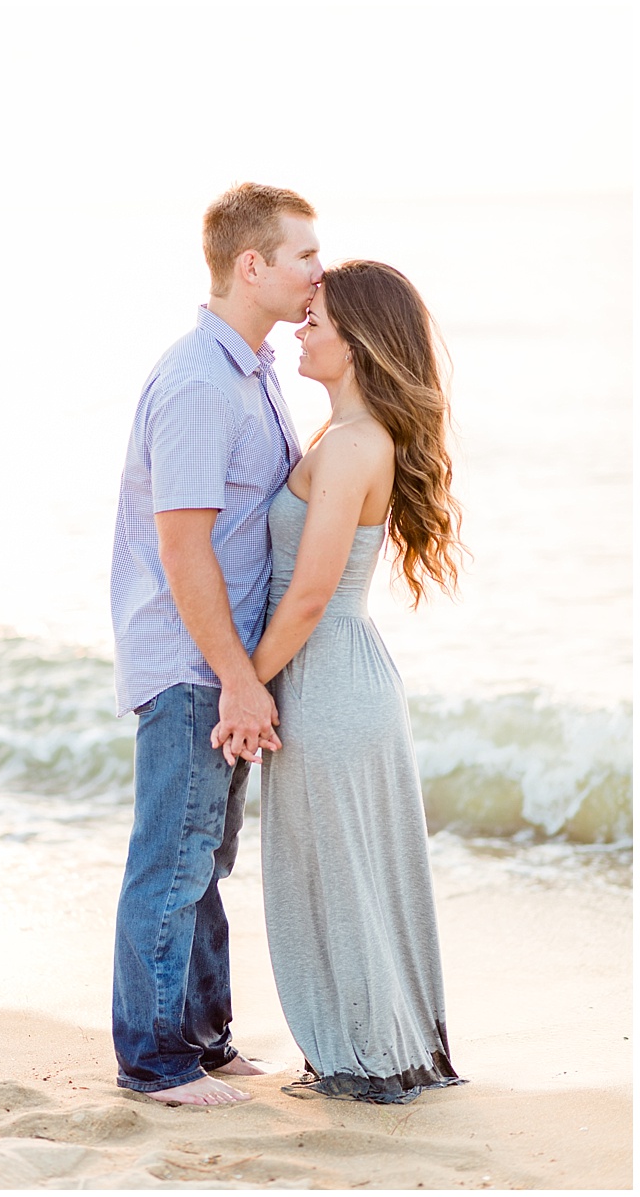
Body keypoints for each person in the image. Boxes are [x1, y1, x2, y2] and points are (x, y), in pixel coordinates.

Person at [223, 260, 466, 1102]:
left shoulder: (355, 445)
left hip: (326, 679)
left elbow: (311, 595)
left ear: (357, 340)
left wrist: (242, 688)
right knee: (349, 870)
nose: (301, 328)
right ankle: (377, 1047)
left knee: (337, 874)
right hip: (339, 675)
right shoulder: (343, 435)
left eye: (316, 319)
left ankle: (369, 1059)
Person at [109, 182, 321, 1105]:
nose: (321, 271)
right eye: (305, 256)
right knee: (173, 858)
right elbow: (183, 547)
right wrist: (239, 678)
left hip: (222, 664)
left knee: (205, 857)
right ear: (253, 266)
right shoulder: (201, 382)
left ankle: (201, 1036)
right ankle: (153, 1062)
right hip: (199, 666)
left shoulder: (254, 367)